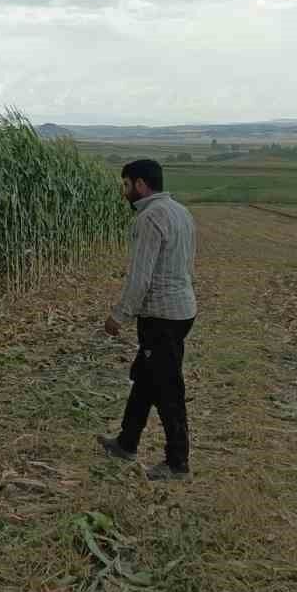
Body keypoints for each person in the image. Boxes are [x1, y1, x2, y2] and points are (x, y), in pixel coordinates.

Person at [97, 158, 198, 480]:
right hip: (181, 310)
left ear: (140, 184)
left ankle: (177, 463)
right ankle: (126, 443)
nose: (124, 192)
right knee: (145, 377)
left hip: (161, 316)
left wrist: (119, 316)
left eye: (126, 185)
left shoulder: (149, 218)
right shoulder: (180, 212)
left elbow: (140, 278)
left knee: (168, 388)